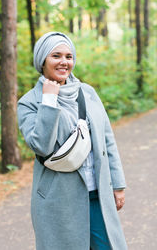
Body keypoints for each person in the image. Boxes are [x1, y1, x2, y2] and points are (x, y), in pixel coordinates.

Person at [17, 32, 127, 250]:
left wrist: (118, 183)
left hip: (97, 193)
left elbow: (107, 141)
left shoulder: (87, 92)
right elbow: (41, 146)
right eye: (56, 55)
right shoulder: (29, 102)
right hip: (59, 199)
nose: (64, 62)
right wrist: (49, 100)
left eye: (69, 56)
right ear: (42, 60)